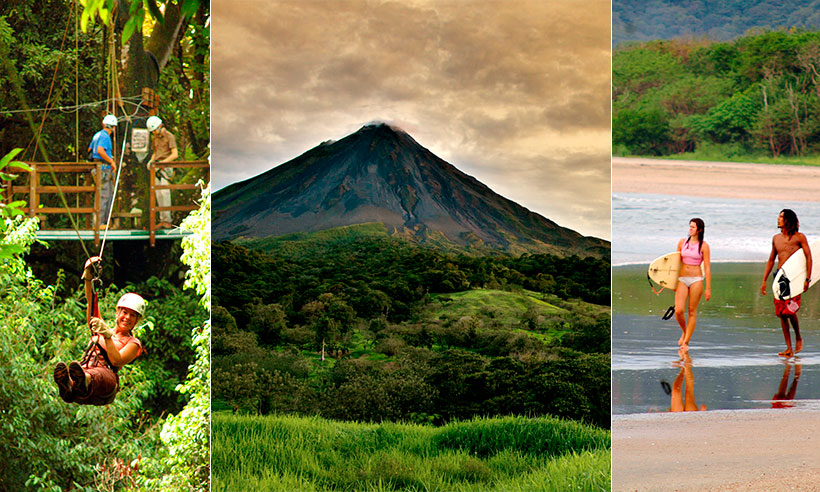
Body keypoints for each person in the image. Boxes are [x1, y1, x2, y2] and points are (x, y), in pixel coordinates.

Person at [52, 257, 146, 405]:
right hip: (86, 371)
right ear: (117, 313)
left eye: (132, 315)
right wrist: (88, 277)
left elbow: (116, 360)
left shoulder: (133, 343)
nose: (127, 318)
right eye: (124, 312)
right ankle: (69, 385)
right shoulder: (100, 328)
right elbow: (91, 301)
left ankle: (82, 381)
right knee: (80, 370)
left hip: (105, 383)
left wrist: (108, 335)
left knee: (98, 374)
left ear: (137, 320)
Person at [760, 209, 812, 357]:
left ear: (788, 220)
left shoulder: (799, 238)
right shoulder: (775, 238)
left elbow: (809, 257)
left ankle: (798, 336)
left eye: (781, 217)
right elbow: (771, 260)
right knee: (781, 314)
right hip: (779, 277)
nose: (778, 219)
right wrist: (764, 280)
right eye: (779, 216)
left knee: (790, 311)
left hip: (794, 278)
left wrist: (808, 279)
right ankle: (788, 347)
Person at [674, 218, 711, 351]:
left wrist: (708, 288)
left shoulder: (704, 246)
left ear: (699, 230)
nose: (690, 229)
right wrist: (670, 282)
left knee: (691, 311)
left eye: (693, 227)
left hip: (696, 279)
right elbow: (675, 263)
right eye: (689, 226)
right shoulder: (682, 242)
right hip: (682, 279)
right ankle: (684, 331)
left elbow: (707, 267)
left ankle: (686, 341)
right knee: (678, 311)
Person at [146, 115, 178, 227]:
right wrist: (151, 161)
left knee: (165, 193)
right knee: (158, 193)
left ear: (160, 126)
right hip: (157, 167)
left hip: (166, 166)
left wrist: (162, 163)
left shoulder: (169, 136)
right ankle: (162, 219)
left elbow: (175, 154)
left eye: (154, 130)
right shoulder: (155, 138)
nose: (153, 133)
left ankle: (167, 220)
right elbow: (155, 152)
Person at [88, 114, 118, 225]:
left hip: (98, 168)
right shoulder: (105, 136)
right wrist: (111, 161)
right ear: (113, 127)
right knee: (105, 196)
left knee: (101, 195)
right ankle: (100, 223)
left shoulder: (97, 135)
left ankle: (99, 222)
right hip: (104, 169)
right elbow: (100, 150)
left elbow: (90, 150)